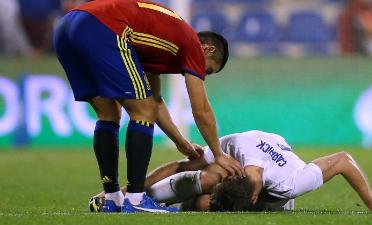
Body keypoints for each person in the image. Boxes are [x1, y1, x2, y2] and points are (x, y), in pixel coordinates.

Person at [54, 0, 243, 213]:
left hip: (67, 28)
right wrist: (219, 154)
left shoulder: (160, 43)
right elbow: (200, 109)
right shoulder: (192, 45)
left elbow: (155, 99)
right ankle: (135, 199)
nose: (201, 74)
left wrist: (180, 141)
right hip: (104, 27)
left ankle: (112, 198)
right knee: (143, 111)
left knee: (108, 113)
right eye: (207, 71)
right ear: (207, 49)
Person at [90, 130, 372, 212]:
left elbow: (343, 159)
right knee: (206, 175)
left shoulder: (292, 184)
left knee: (201, 203)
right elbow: (183, 164)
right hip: (258, 151)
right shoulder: (234, 146)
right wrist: (129, 191)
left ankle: (174, 206)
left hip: (276, 203)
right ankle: (135, 201)